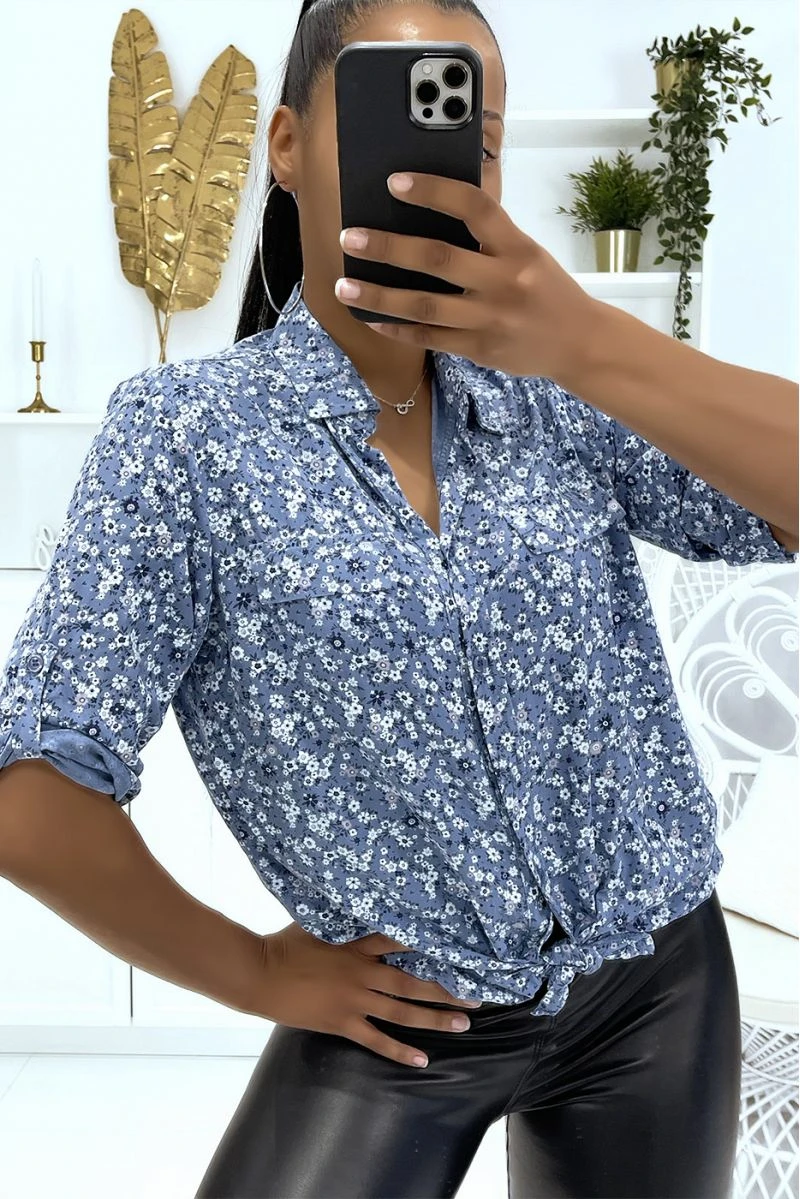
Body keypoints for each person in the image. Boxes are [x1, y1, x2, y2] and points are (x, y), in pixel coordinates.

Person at [0, 0, 797, 1196]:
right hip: (397, 1014)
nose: (439, 162)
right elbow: (31, 796)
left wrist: (582, 339)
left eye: (475, 133)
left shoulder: (556, 393)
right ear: (284, 145)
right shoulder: (187, 438)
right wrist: (258, 972)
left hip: (655, 982)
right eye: (391, 113)